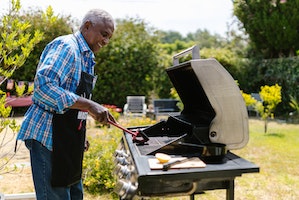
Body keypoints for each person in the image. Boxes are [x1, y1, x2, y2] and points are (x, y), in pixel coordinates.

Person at [16, 8, 116, 200]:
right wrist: (90, 105)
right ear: (87, 26)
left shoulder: (87, 57)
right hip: (48, 136)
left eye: (109, 37)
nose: (106, 41)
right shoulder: (66, 47)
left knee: (74, 194)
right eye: (104, 34)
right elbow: (44, 87)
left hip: (68, 139)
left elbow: (74, 98)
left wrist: (79, 135)